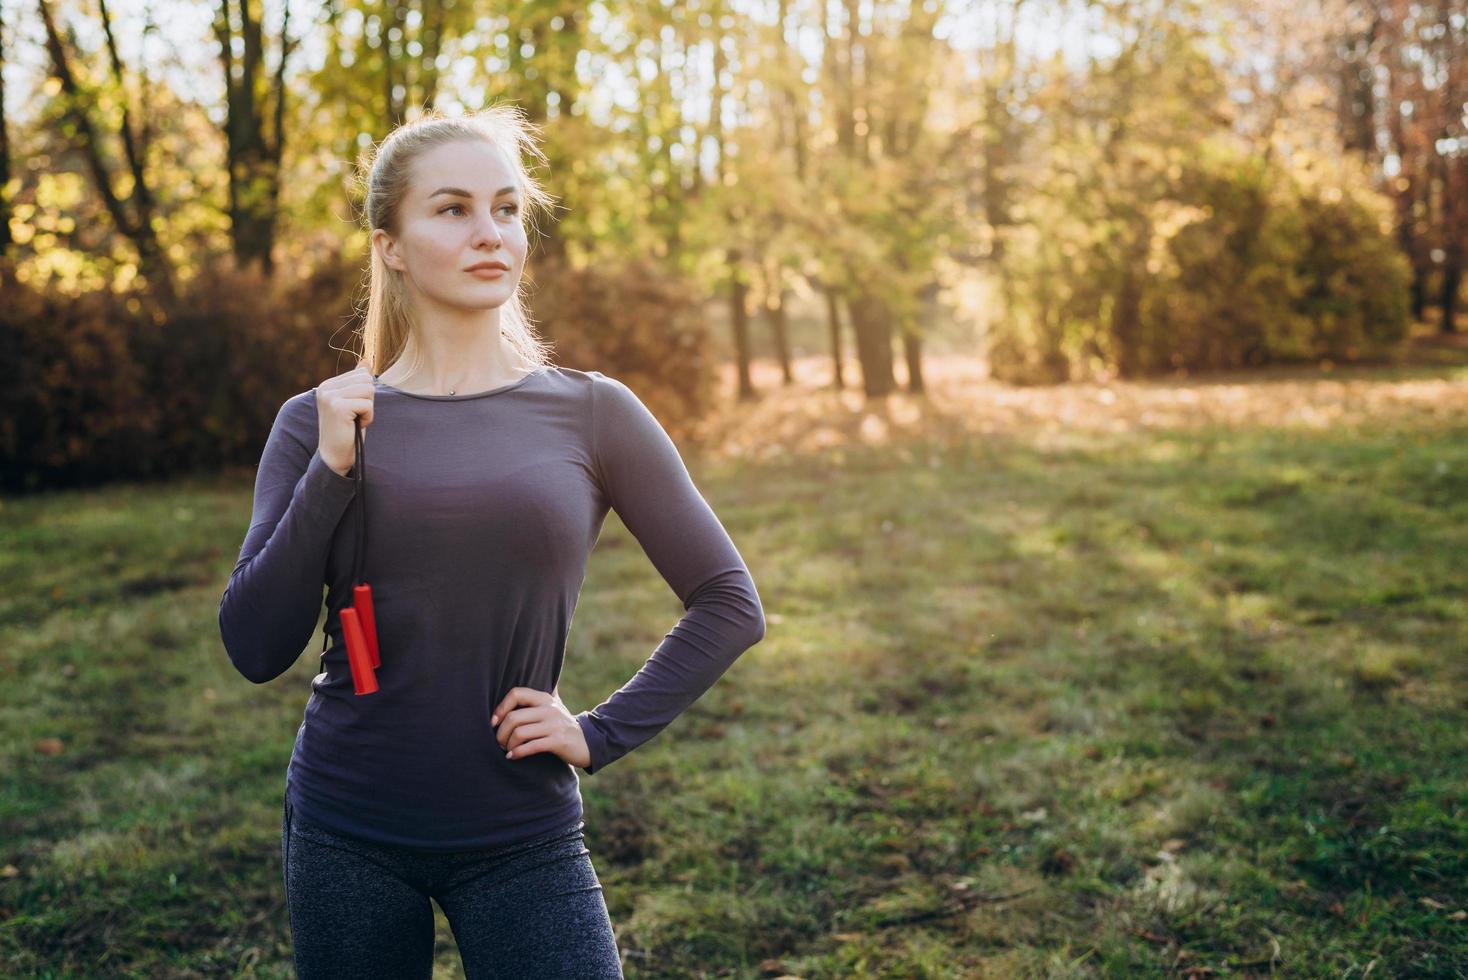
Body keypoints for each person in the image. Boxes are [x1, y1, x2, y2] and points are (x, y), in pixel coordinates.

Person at [217, 105, 767, 979]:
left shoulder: (594, 412)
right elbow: (254, 646)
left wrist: (601, 731)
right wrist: (330, 472)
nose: (491, 234)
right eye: (453, 209)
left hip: (520, 833)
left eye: (507, 209)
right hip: (344, 827)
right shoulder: (316, 422)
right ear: (390, 244)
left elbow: (730, 604)